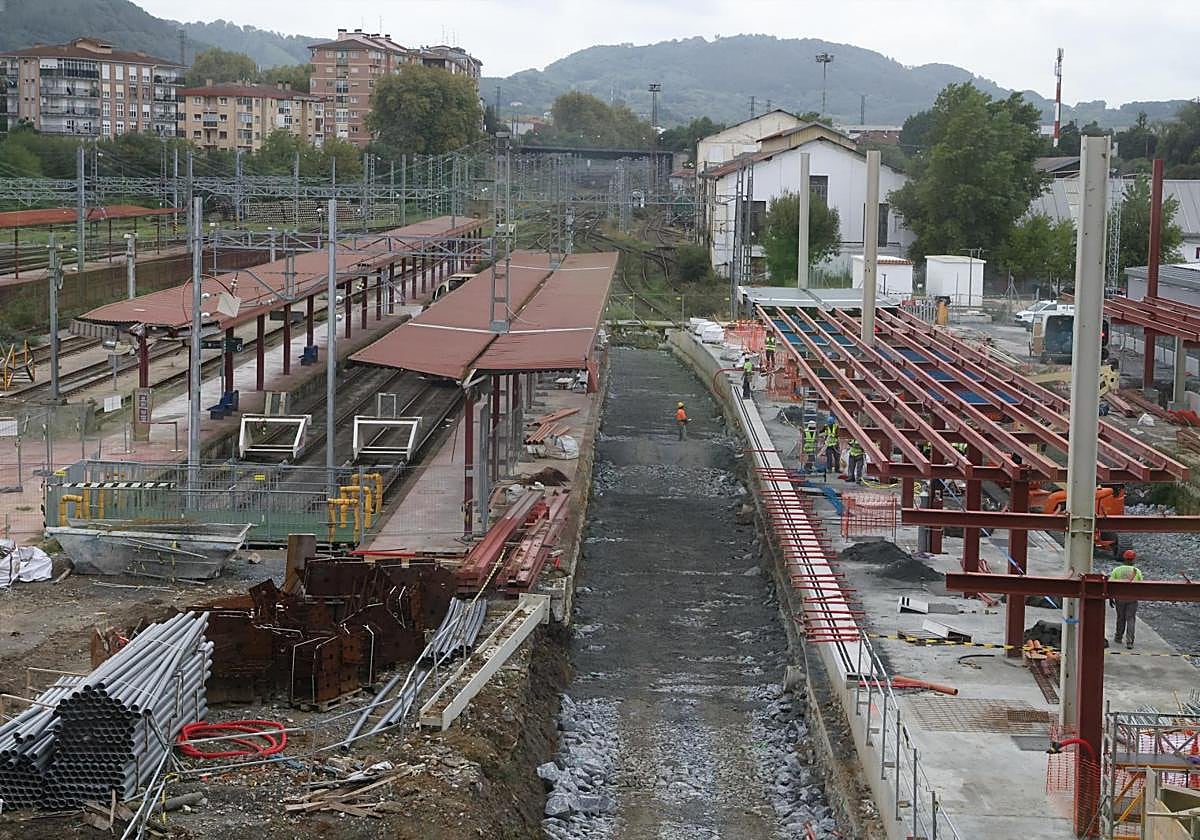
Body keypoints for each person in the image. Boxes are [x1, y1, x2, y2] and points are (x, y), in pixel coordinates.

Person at [1110, 549, 1144, 649]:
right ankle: (1130, 642)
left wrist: (1111, 598)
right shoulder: (1137, 571)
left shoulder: (1117, 570)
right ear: (1133, 560)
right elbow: (1141, 585)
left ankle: (1118, 637)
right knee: (1130, 619)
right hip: (1132, 598)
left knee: (1120, 618)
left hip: (1119, 598)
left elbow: (1111, 584)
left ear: (1124, 558)